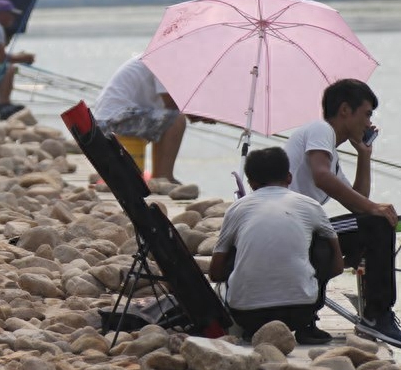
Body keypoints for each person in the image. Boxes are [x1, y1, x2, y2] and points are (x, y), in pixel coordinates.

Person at [284, 78, 401, 350]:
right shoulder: (321, 130)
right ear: (345, 110)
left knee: (375, 221)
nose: (368, 123)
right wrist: (373, 209)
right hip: (295, 231)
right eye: (366, 114)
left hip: (302, 231)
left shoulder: (330, 149)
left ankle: (372, 310)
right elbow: (321, 177)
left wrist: (364, 156)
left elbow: (357, 202)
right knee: (378, 222)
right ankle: (377, 314)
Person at [209, 147, 343, 345]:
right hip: (300, 312)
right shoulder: (310, 205)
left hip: (248, 315)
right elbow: (337, 265)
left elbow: (215, 273)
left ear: (251, 183)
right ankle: (309, 326)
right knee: (322, 242)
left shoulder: (237, 208)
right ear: (289, 177)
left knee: (234, 248)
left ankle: (252, 329)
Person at [93, 55, 190, 184]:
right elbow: (171, 104)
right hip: (112, 123)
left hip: (107, 122)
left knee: (167, 118)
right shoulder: (166, 59)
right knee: (176, 119)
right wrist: (197, 115)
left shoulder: (159, 56)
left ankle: (159, 177)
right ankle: (163, 177)